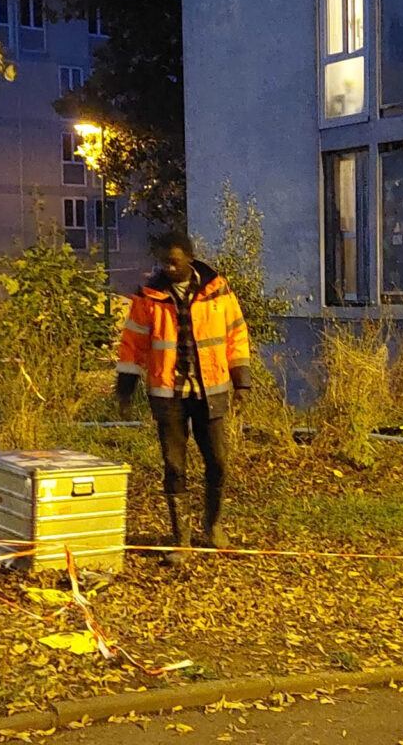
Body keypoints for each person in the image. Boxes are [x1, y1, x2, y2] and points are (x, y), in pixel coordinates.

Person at [116, 230, 251, 564]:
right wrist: (124, 390)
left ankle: (214, 528)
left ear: (190, 258)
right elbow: (133, 345)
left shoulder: (218, 291)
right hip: (168, 394)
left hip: (212, 391)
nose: (169, 268)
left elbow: (236, 334)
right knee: (175, 467)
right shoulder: (148, 297)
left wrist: (242, 383)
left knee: (217, 463)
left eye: (174, 262)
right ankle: (183, 541)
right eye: (164, 262)